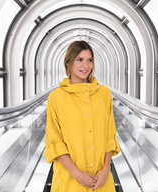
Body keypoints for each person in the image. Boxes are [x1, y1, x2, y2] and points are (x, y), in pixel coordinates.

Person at [44, 40, 120, 192]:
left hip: (101, 180)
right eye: (79, 60)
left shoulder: (104, 94)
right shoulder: (56, 97)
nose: (86, 66)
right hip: (69, 181)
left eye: (89, 60)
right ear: (68, 63)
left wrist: (106, 170)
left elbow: (109, 136)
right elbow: (54, 140)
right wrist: (77, 174)